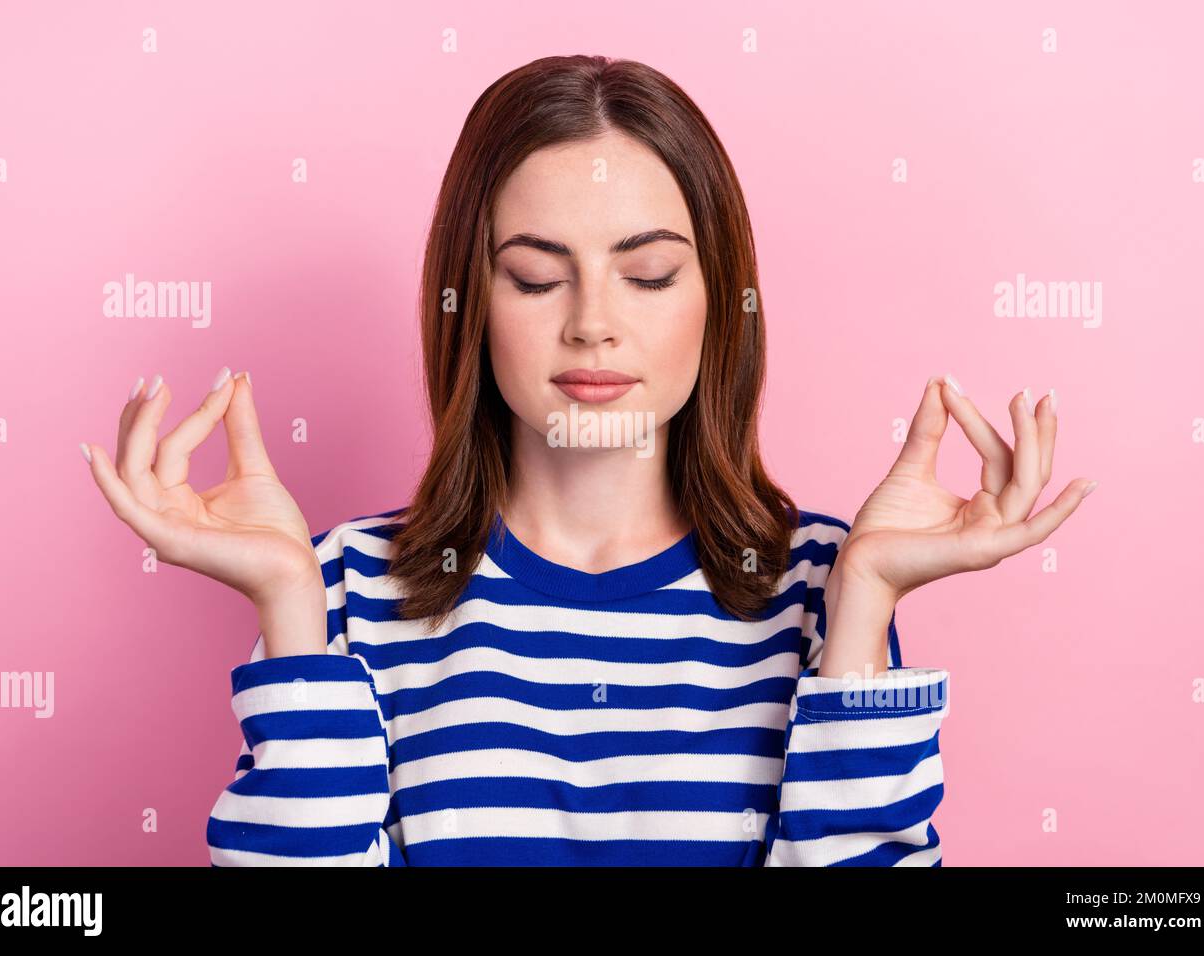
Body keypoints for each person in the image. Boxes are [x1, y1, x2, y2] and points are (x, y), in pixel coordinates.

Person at [80, 55, 1095, 866]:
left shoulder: (820, 586)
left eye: (647, 274)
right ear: (468, 303)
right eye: (534, 277)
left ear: (719, 298)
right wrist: (289, 609)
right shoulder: (341, 586)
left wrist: (865, 596)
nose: (594, 325)